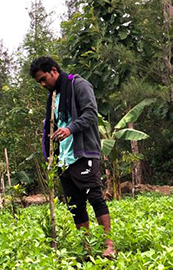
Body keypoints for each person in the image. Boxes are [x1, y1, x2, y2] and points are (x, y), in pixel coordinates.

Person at [29, 56, 116, 258]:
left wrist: (70, 129)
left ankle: (109, 245)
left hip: (83, 152)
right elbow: (49, 127)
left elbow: (90, 114)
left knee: (94, 196)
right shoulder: (53, 96)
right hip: (64, 157)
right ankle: (87, 246)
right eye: (39, 82)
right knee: (75, 204)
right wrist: (48, 156)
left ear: (53, 70)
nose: (43, 85)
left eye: (43, 79)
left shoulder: (79, 85)